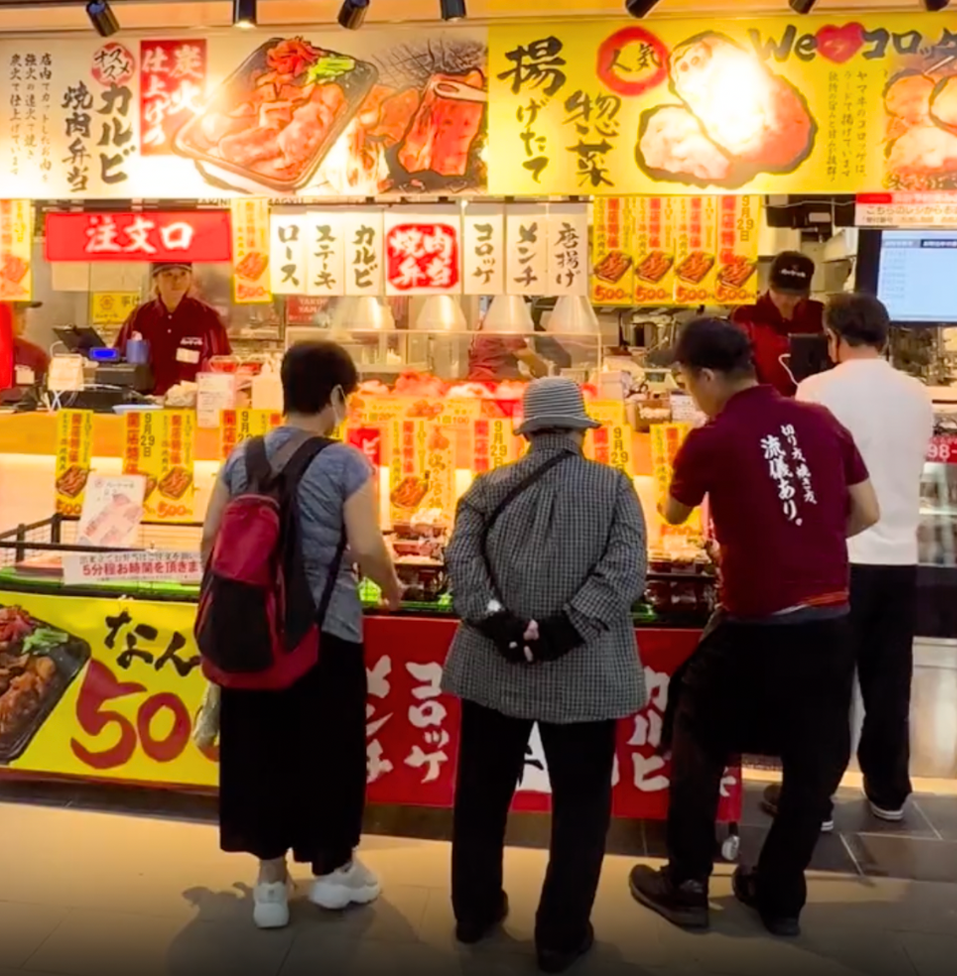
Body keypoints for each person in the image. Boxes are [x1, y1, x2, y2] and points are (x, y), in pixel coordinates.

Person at [628, 318, 879, 938]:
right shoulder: (820, 420)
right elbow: (868, 511)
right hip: (829, 621)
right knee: (813, 760)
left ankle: (688, 883)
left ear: (706, 375)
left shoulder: (712, 438)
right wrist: (811, 542)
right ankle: (780, 895)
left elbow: (673, 513)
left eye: (688, 382)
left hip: (754, 625)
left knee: (698, 737)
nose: (692, 393)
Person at [442, 377, 647, 973]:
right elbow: (626, 570)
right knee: (581, 806)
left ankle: (474, 912)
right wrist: (563, 631)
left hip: (493, 666)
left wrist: (500, 623)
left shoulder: (487, 486)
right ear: (580, 431)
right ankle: (560, 935)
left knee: (481, 796)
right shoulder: (614, 487)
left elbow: (460, 562)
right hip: (585, 671)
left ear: (527, 431)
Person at [201, 341, 403, 930]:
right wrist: (391, 589)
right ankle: (334, 872)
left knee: (259, 748)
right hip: (324, 631)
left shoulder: (242, 455)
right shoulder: (346, 462)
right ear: (336, 395)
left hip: (250, 631)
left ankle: (269, 882)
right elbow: (366, 546)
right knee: (327, 749)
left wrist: (239, 604)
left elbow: (210, 538)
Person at [762, 293, 933, 828]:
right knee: (890, 682)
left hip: (838, 556)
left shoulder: (816, 389)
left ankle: (815, 798)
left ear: (832, 338)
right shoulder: (918, 392)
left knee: (826, 683)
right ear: (885, 337)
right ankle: (889, 791)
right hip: (901, 556)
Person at [115, 262, 231, 395]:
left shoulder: (208, 317)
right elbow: (119, 358)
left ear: (190, 278)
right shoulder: (140, 316)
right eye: (168, 275)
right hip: (148, 399)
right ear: (156, 279)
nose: (177, 281)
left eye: (183, 274)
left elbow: (222, 362)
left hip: (193, 400)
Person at [731, 251, 823, 396]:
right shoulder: (747, 313)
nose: (786, 300)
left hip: (810, 397)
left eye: (795, 295)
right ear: (770, 285)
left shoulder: (818, 313)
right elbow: (736, 364)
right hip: (761, 399)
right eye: (780, 292)